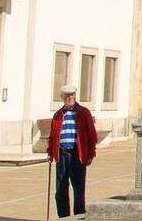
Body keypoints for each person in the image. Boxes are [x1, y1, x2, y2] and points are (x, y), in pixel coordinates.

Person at [48, 85, 98, 219]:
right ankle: (63, 216)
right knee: (60, 189)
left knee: (78, 188)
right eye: (66, 96)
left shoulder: (83, 112)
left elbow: (92, 135)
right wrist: (50, 152)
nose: (70, 98)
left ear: (75, 96)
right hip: (62, 155)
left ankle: (79, 215)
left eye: (72, 95)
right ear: (62, 98)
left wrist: (91, 154)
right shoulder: (58, 115)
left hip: (77, 155)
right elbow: (53, 136)